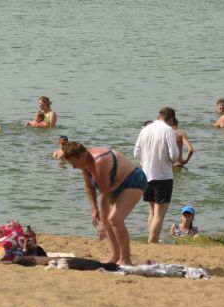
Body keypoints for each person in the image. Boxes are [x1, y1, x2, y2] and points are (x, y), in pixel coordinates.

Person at [57, 137, 145, 267]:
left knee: (114, 219)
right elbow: (89, 187)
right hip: (115, 186)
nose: (74, 168)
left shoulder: (99, 161)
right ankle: (115, 256)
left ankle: (126, 259)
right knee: (108, 219)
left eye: (74, 164)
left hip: (133, 180)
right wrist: (94, 209)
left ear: (81, 155)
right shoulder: (84, 163)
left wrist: (103, 221)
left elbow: (104, 193)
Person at [133, 107, 184, 243]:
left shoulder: (145, 129)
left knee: (152, 211)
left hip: (146, 175)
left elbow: (136, 153)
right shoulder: (168, 130)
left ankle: (152, 239)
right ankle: (153, 242)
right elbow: (174, 156)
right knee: (160, 214)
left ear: (159, 116)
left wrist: (146, 159)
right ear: (171, 119)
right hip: (163, 176)